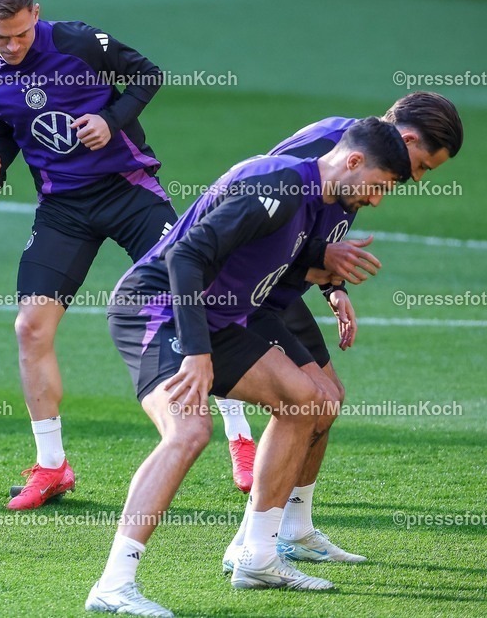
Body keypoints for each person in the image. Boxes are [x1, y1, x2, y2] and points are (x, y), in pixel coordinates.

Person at [86, 118, 411, 616]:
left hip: (215, 319)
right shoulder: (280, 186)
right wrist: (197, 352)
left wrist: (329, 274)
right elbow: (186, 257)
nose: (378, 199)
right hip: (156, 309)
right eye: (380, 185)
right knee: (189, 431)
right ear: (353, 162)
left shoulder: (320, 201)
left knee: (307, 401)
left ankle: (257, 557)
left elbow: (282, 253)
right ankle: (113, 584)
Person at [219, 92, 462, 570]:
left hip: (281, 286)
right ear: (407, 138)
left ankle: (294, 531)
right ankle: (251, 546)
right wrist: (321, 260)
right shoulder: (335, 147)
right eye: (423, 166)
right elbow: (259, 216)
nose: (416, 178)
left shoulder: (368, 156)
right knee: (307, 403)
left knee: (328, 400)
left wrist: (332, 286)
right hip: (247, 290)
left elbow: (319, 233)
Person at [0, 0, 177, 510]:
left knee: (191, 295)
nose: (12, 46)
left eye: (21, 33)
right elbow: (7, 137)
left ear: (36, 15)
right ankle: (51, 466)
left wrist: (111, 120)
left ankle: (240, 441)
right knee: (30, 328)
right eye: (0, 37)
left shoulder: (79, 42)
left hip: (128, 189)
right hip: (63, 209)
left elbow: (148, 75)